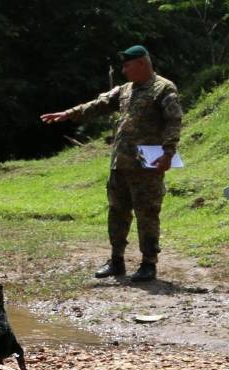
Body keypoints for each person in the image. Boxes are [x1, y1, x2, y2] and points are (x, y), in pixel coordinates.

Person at [40, 45, 182, 283]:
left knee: (147, 214)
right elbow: (99, 104)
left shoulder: (163, 88)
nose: (124, 71)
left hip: (147, 165)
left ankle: (149, 264)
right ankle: (116, 261)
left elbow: (173, 121)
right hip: (120, 163)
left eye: (127, 66)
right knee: (117, 213)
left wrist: (168, 154)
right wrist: (68, 113)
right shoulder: (125, 90)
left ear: (142, 64)